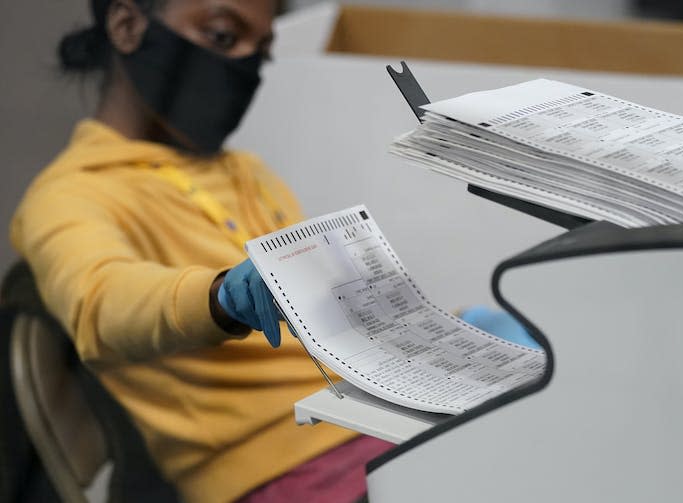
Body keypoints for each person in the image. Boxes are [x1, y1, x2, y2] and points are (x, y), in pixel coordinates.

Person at [10, 1, 535, 501]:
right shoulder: (66, 198)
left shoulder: (246, 172)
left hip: (381, 417)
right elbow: (103, 305)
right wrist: (218, 297)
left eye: (260, 52)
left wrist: (453, 337)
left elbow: (338, 319)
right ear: (127, 25)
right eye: (222, 36)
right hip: (284, 472)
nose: (243, 67)